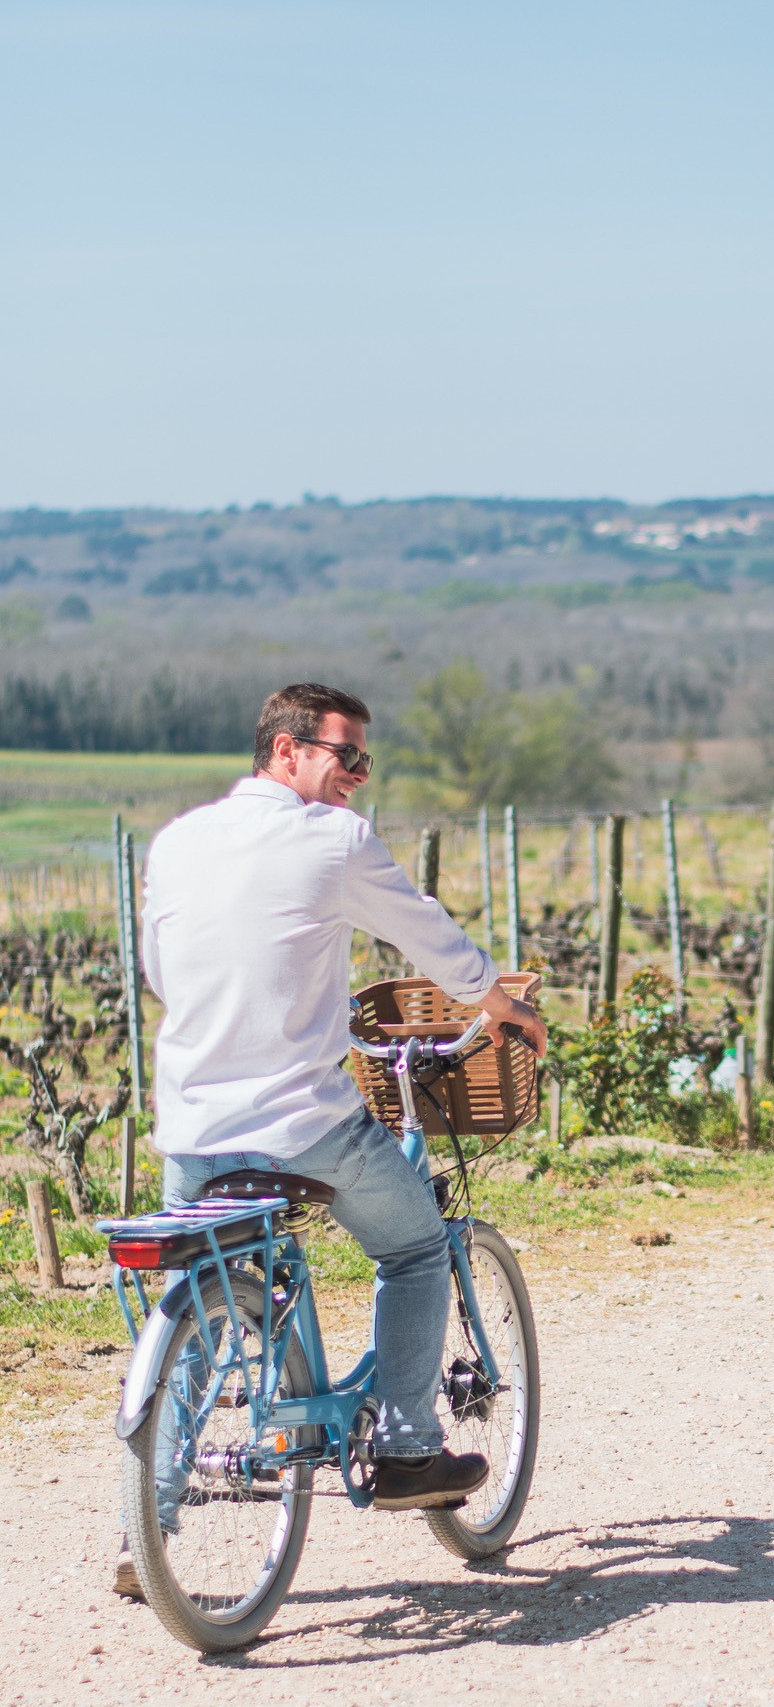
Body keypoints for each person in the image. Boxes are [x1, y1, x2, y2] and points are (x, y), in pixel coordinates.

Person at [115, 681, 547, 1599]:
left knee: (202, 1300)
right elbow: (424, 933)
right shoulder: (333, 839)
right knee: (418, 1248)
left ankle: (145, 1527)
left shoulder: (178, 840)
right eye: (344, 755)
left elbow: (162, 971)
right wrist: (496, 999)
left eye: (364, 760)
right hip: (303, 1121)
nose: (358, 774)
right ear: (284, 751)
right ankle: (403, 1445)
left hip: (191, 1125)